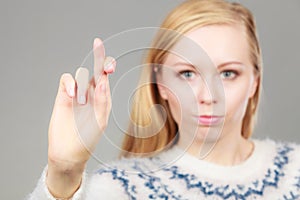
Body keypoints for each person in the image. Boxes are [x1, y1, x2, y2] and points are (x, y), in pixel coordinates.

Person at [27, 0, 300, 199]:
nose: (208, 96)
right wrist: (64, 172)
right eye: (187, 74)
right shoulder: (119, 187)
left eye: (228, 73)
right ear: (161, 84)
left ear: (255, 80)